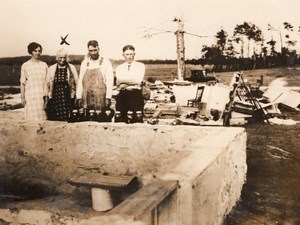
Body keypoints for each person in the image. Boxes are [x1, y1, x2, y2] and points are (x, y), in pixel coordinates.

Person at [76, 40, 114, 113]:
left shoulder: (106, 62)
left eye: (95, 50)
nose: (93, 53)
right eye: (91, 51)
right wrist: (79, 96)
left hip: (100, 98)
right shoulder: (85, 63)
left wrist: (108, 97)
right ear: (88, 51)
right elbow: (80, 80)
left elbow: (109, 81)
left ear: (98, 49)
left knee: (100, 118)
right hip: (87, 97)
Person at [44, 48, 78, 121]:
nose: (62, 60)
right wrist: (46, 96)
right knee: (55, 118)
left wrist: (77, 96)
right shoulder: (52, 68)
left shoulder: (71, 67)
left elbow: (77, 82)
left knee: (68, 117)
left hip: (68, 97)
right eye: (60, 58)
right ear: (57, 58)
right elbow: (47, 84)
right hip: (55, 97)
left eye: (64, 57)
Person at [115, 45, 145, 123]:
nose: (129, 57)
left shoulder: (140, 66)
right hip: (123, 95)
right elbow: (118, 82)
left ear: (134, 54)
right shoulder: (119, 68)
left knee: (137, 119)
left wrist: (123, 82)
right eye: (127, 54)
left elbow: (138, 80)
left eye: (131, 54)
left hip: (136, 95)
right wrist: (131, 81)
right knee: (120, 119)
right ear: (123, 55)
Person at [20, 42, 48, 120]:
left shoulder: (44, 65)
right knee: (31, 120)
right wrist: (22, 98)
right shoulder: (25, 65)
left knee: (42, 119)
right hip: (30, 96)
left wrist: (46, 97)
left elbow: (46, 83)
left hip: (41, 96)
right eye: (35, 51)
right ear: (31, 51)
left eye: (39, 51)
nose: (37, 53)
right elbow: (22, 83)